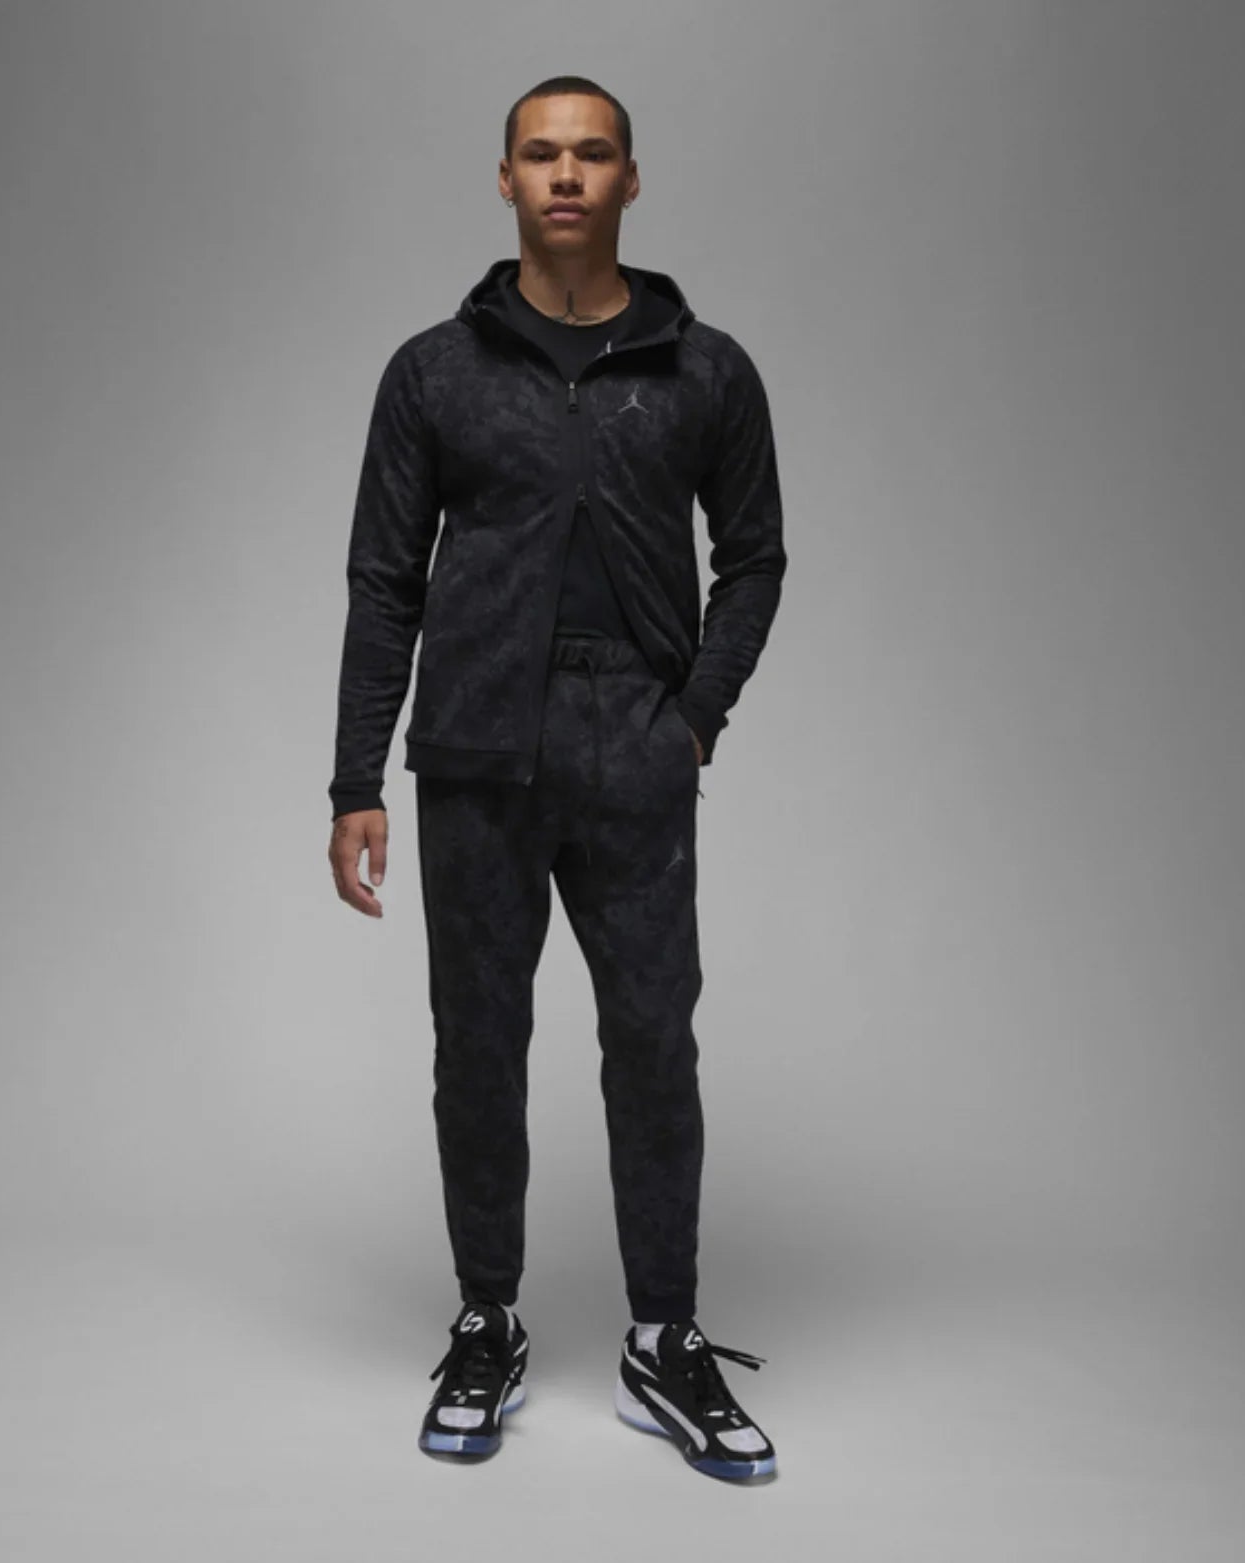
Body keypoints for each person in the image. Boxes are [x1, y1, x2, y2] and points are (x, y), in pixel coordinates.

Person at [327, 75, 786, 1482]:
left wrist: (692, 718)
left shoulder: (706, 371)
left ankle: (663, 1339)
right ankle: (489, 1319)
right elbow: (383, 579)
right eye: (542, 153)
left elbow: (755, 558)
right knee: (479, 1043)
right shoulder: (433, 373)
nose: (568, 175)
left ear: (632, 180)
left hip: (633, 746)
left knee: (653, 1042)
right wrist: (355, 781)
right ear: (507, 179)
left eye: (593, 154)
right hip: (474, 748)